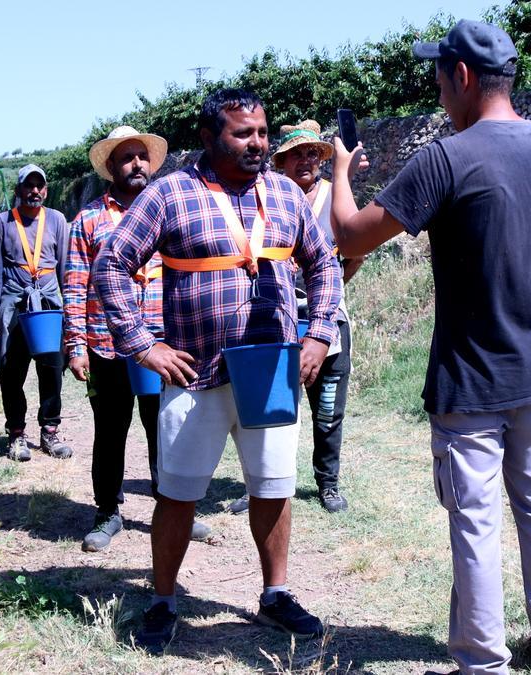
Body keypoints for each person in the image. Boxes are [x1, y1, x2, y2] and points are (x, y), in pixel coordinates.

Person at [328, 20, 531, 675]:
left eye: (439, 75)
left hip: (470, 385)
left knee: (475, 522)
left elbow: (352, 236)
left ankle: (482, 662)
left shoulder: (446, 159)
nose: (438, 90)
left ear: (464, 77)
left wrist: (340, 171)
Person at [93, 88, 342, 654]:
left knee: (273, 488)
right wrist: (141, 345)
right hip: (193, 372)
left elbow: (323, 263)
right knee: (178, 495)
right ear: (209, 138)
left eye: (262, 132)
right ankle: (163, 601)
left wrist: (320, 332)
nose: (258, 143)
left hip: (272, 372)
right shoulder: (170, 195)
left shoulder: (284, 194)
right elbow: (111, 265)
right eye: (243, 134)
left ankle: (275, 594)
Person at [64, 126, 211, 552]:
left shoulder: (168, 212)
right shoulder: (87, 220)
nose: (136, 165)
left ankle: (177, 510)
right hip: (105, 345)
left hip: (161, 344)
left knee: (167, 429)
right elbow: (74, 288)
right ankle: (108, 512)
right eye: (126, 158)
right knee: (109, 430)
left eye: (142, 157)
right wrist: (76, 345)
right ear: (111, 168)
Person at [226, 120, 366, 515]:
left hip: (326, 320)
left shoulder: (334, 194)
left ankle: (328, 483)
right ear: (282, 162)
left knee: (326, 409)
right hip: (275, 319)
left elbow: (355, 253)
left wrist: (329, 289)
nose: (305, 160)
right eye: (295, 155)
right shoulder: (266, 199)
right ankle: (260, 484)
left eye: (312, 153)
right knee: (268, 410)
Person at [0, 164, 75, 462]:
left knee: (52, 368)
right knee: (11, 372)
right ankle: (17, 434)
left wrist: (71, 312)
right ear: (18, 190)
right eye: (28, 186)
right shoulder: (2, 222)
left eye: (39, 186)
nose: (34, 191)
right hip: (13, 306)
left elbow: (65, 269)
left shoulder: (58, 220)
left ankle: (49, 431)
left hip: (48, 306)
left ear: (46, 190)